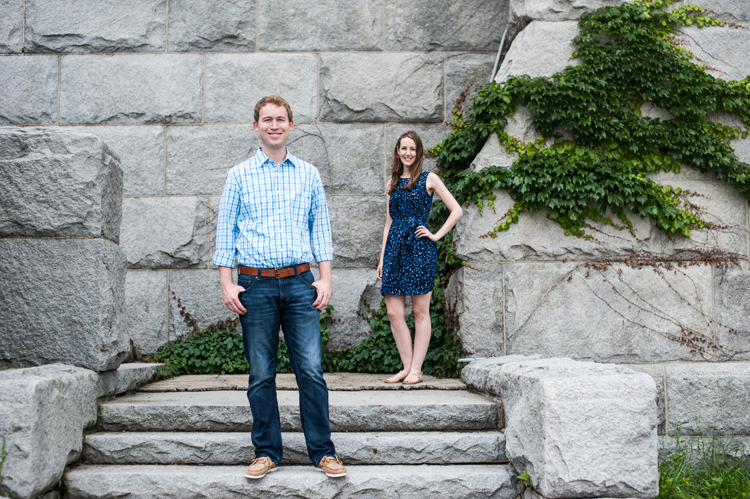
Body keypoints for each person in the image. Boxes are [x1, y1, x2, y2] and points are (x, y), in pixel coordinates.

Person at [213, 95, 346, 480]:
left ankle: (323, 452)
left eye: (281, 119)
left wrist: (325, 278)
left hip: (302, 283)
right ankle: (267, 452)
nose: (274, 125)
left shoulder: (308, 174)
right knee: (261, 374)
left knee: (311, 370)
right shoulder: (238, 175)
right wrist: (227, 283)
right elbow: (226, 233)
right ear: (256, 126)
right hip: (255, 285)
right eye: (267, 119)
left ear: (291, 125)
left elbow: (320, 229)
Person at [376, 131, 463, 385]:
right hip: (394, 250)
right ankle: (406, 367)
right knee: (394, 312)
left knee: (419, 311)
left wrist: (435, 236)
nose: (408, 153)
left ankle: (417, 369)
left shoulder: (429, 178)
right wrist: (382, 258)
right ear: (397, 151)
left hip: (419, 250)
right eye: (403, 148)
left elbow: (456, 210)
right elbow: (388, 224)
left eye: (412, 148)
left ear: (419, 152)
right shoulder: (391, 183)